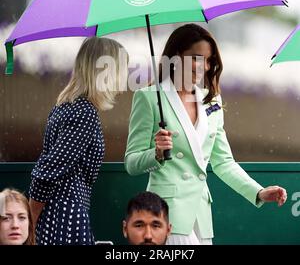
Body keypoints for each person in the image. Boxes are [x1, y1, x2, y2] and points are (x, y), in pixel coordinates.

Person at [125, 23, 287, 245]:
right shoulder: (148, 97)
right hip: (164, 215)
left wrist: (258, 192)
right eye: (196, 58)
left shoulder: (212, 101)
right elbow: (132, 163)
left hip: (201, 216)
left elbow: (223, 163)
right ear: (176, 56)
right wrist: (157, 154)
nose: (204, 66)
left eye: (209, 60)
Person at [29, 36, 128, 245]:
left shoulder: (65, 107)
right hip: (63, 220)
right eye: (122, 68)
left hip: (59, 216)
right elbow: (47, 171)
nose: (126, 76)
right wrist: (31, 224)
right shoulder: (84, 113)